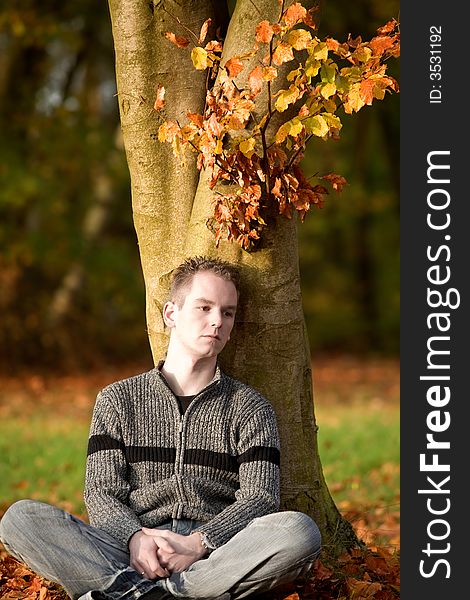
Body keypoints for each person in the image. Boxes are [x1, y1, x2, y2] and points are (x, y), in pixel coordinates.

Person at [0, 256, 321, 600]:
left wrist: (199, 543)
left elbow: (260, 498)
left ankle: (140, 594)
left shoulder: (250, 407)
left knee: (300, 532)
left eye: (227, 313)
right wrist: (135, 538)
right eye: (204, 307)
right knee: (20, 519)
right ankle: (155, 591)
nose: (217, 321)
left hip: (214, 555)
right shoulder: (118, 399)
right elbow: (101, 493)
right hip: (128, 550)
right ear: (171, 314)